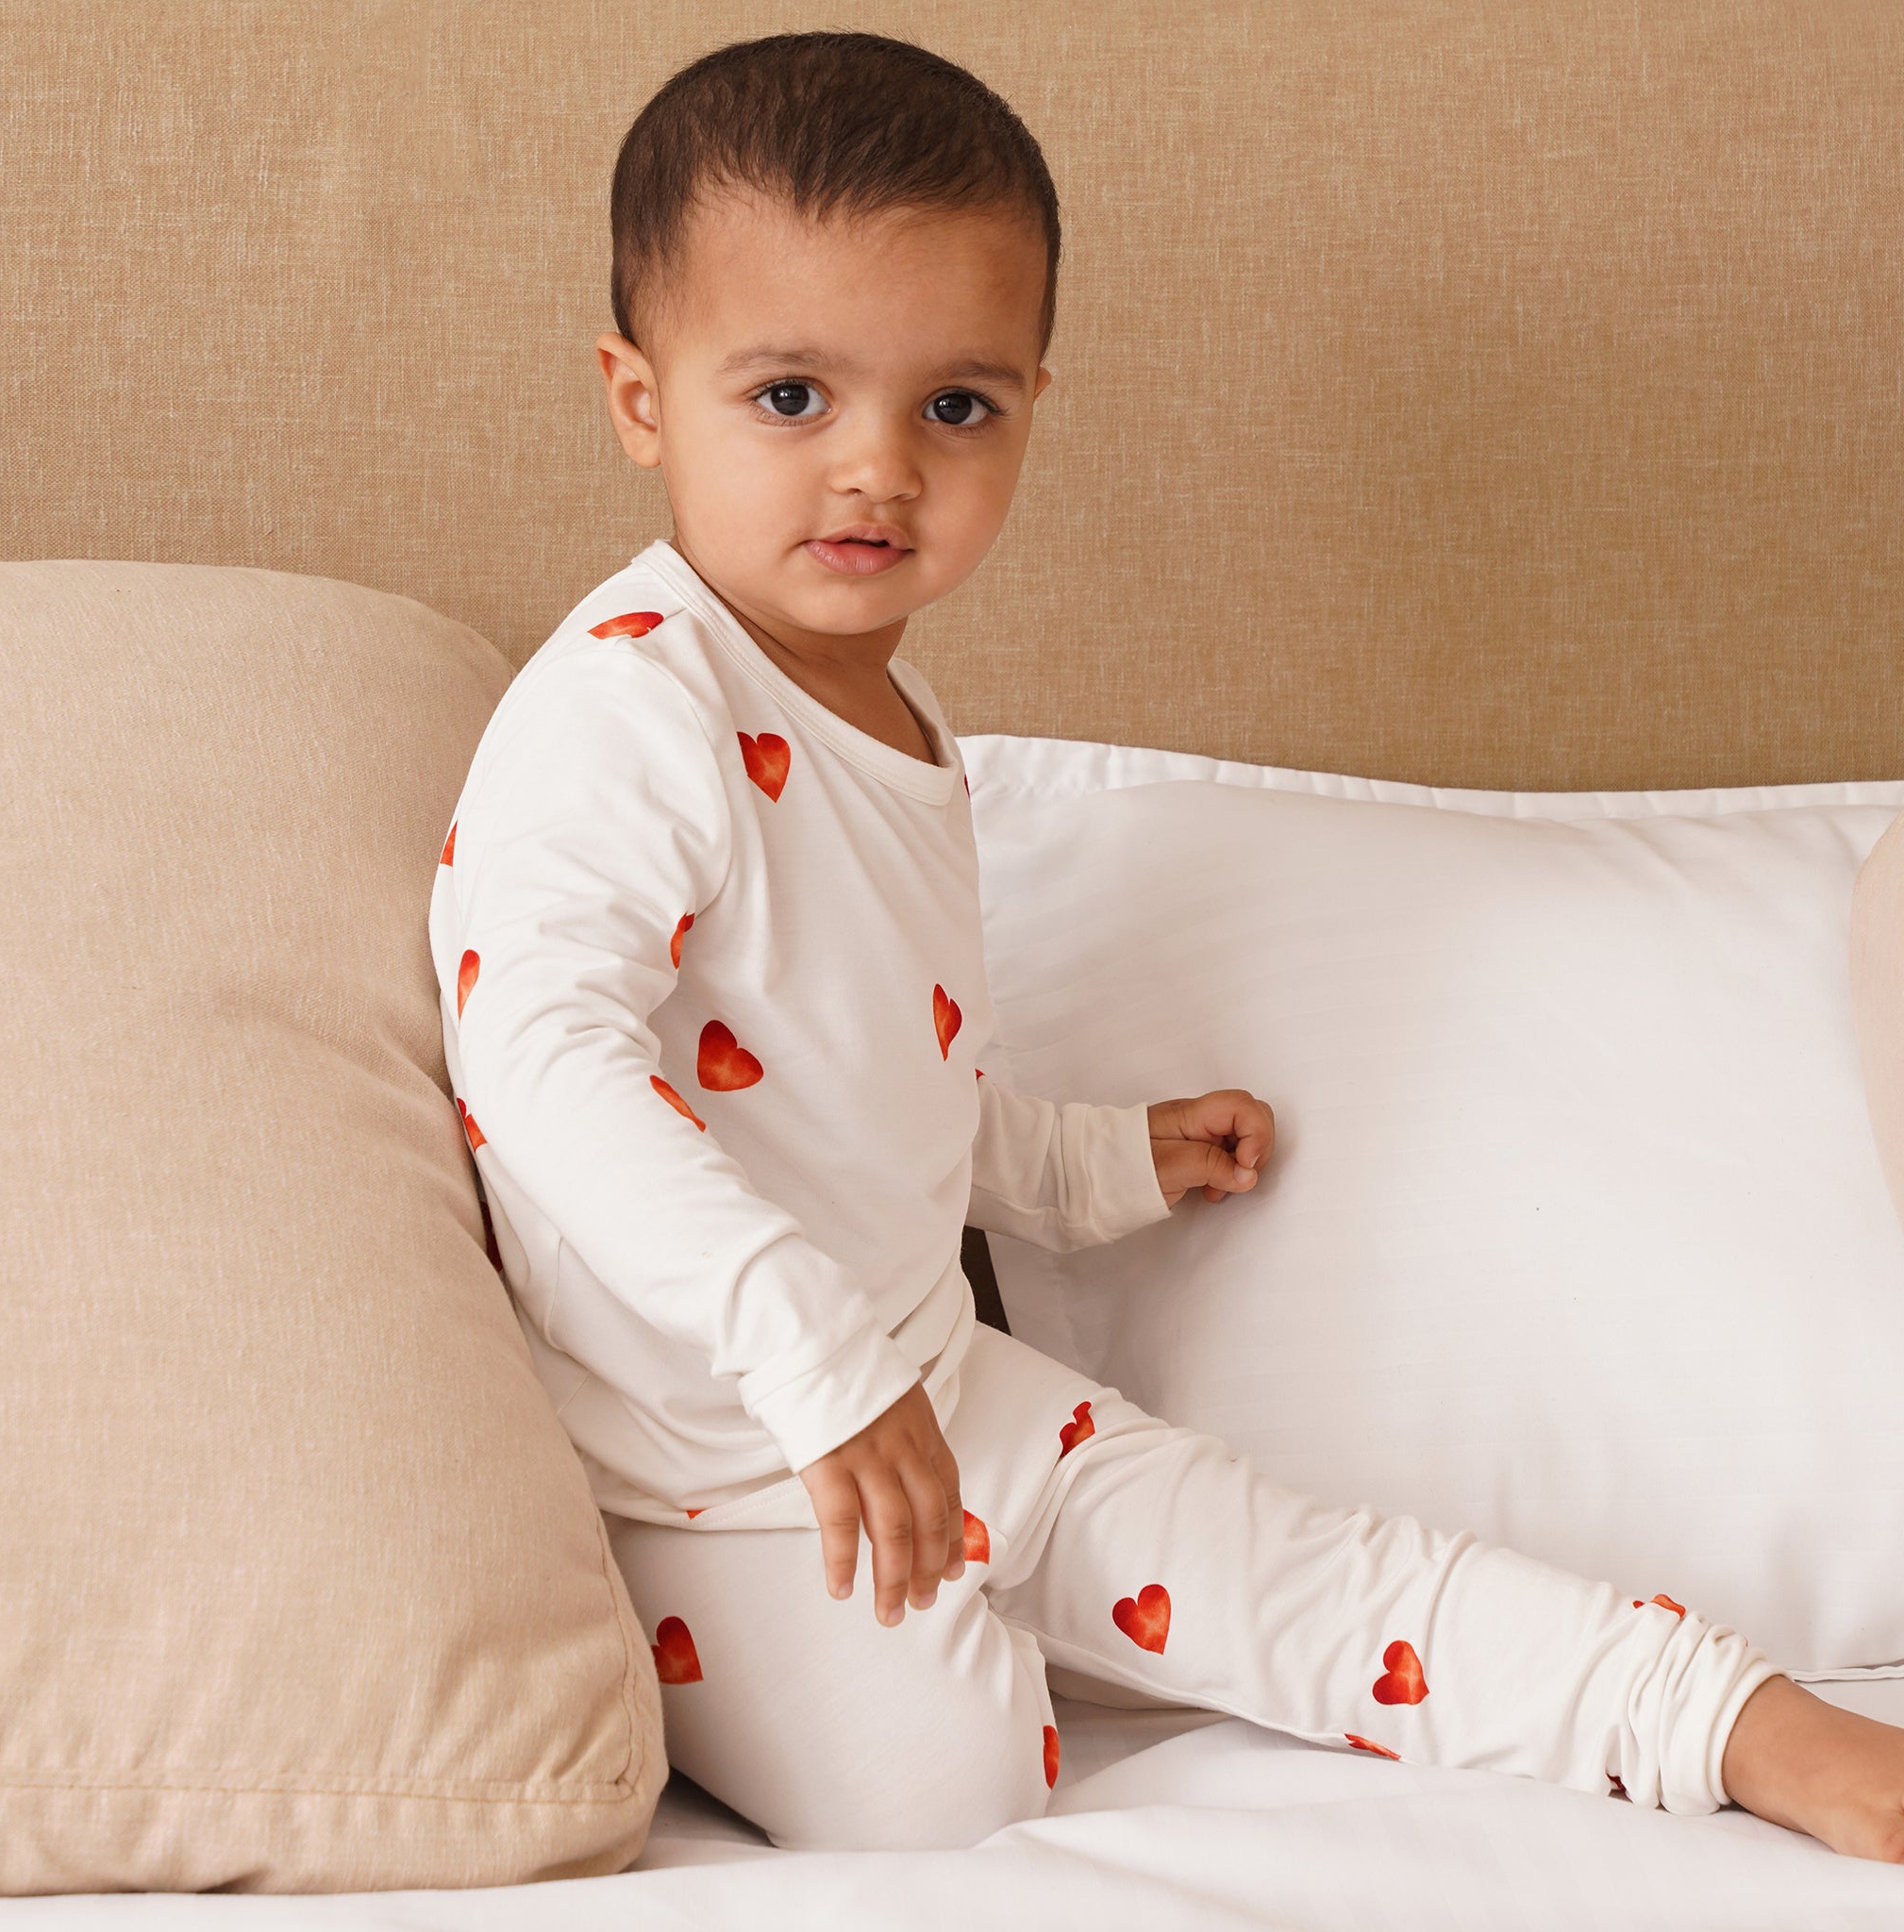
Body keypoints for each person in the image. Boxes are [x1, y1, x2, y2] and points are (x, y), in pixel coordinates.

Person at [428, 27, 1904, 1860]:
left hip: (921, 1384)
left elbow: (857, 1081)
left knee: (1284, 1555)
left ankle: (1736, 1721)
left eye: (952, 406)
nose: (876, 469)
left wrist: (1085, 1164)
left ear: (1032, 400)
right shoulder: (627, 707)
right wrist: (810, 1354)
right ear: (640, 396)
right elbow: (538, 1057)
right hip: (718, 1463)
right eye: (792, 396)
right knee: (959, 1787)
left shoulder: (890, 725)